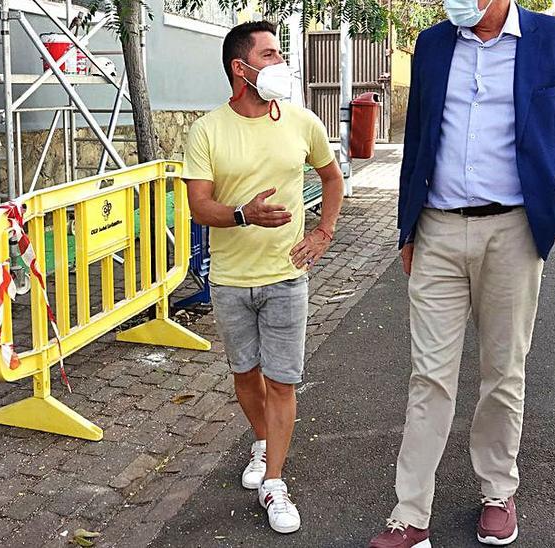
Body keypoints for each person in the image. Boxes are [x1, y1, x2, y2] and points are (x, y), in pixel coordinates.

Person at [370, 0, 555, 546]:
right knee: (428, 374)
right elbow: (418, 143)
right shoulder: (433, 45)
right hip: (436, 229)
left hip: (513, 230)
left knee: (503, 371)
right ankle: (410, 513)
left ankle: (498, 491)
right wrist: (408, 228)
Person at [181, 20, 344, 535]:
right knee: (245, 375)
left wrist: (324, 233)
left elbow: (332, 175)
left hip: (286, 275)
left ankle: (274, 479)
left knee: (282, 380)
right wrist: (244, 215)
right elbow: (199, 205)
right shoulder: (207, 130)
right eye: (270, 54)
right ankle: (263, 441)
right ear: (240, 67)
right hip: (230, 279)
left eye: (279, 53)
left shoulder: (301, 121)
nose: (280, 63)